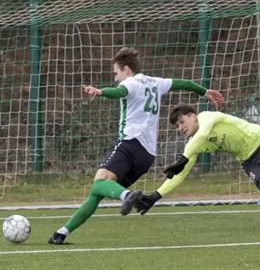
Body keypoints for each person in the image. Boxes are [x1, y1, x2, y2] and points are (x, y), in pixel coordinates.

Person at [48, 48, 225, 244]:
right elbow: (181, 83)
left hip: (130, 144)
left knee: (99, 183)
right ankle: (62, 232)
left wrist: (100, 92)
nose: (116, 78)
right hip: (147, 156)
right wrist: (204, 92)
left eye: (116, 73)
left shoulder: (130, 83)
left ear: (126, 70)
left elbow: (119, 91)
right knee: (99, 190)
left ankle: (127, 195)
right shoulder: (156, 82)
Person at [131, 104, 260, 229]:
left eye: (182, 122)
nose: (181, 128)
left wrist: (183, 157)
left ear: (193, 115)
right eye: (177, 127)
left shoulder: (207, 117)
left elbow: (202, 133)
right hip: (249, 160)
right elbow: (180, 175)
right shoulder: (193, 144)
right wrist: (156, 195)